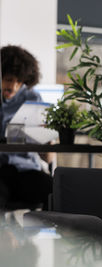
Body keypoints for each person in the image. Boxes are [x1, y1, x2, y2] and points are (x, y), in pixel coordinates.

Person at [0, 45, 52, 210]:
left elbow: (47, 155)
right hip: (1, 171)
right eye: (8, 79)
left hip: (26, 169)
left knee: (54, 190)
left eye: (19, 82)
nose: (13, 87)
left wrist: (46, 136)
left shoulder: (33, 97)